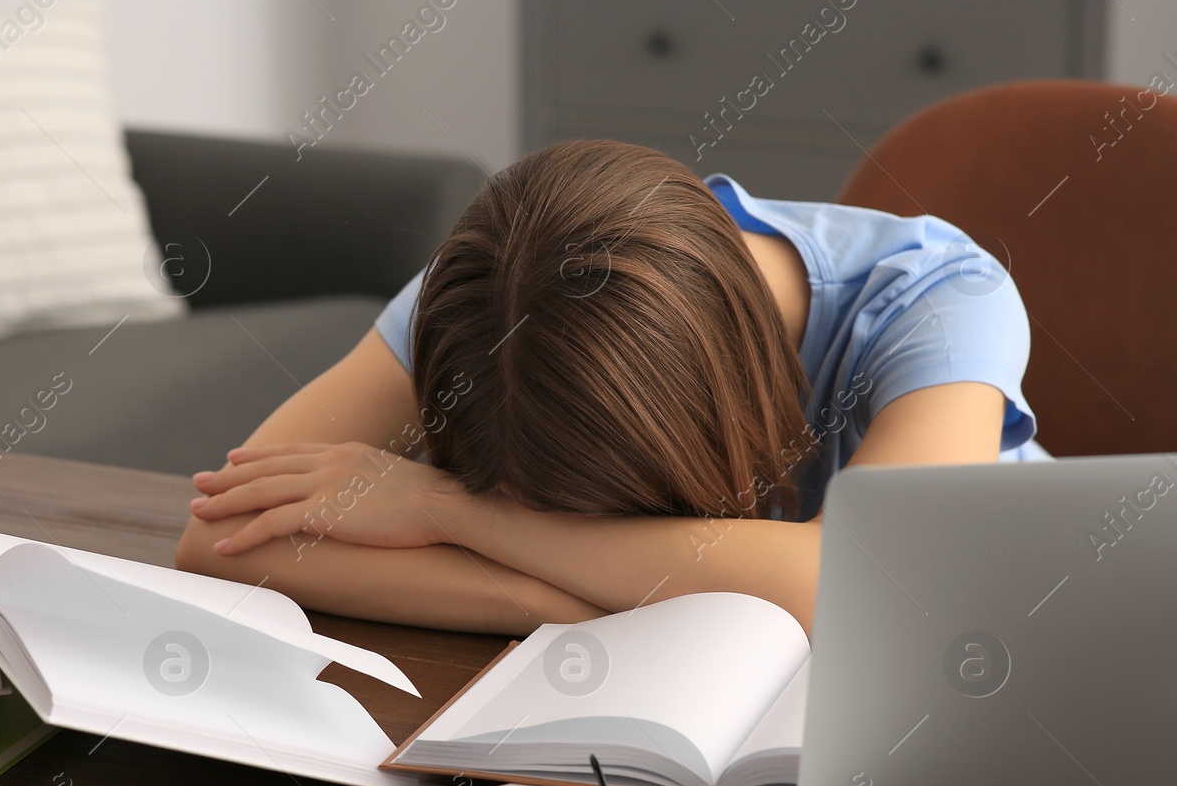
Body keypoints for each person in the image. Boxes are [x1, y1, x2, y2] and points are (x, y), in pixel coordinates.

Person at [174, 140, 1044, 635]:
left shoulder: (942, 300)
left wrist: (457, 515)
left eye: (591, 524)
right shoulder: (497, 290)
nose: (548, 533)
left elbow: (864, 589)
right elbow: (220, 541)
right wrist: (589, 600)